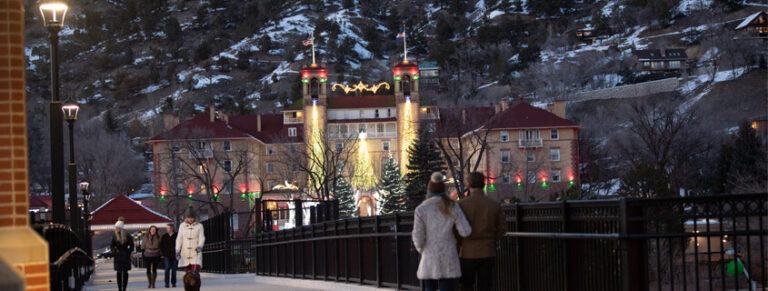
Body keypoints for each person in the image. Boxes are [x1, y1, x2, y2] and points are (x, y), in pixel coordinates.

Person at [412, 172, 472, 291]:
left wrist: (423, 249)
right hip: (448, 255)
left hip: (429, 255)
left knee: (429, 288)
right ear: (443, 191)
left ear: (429, 192)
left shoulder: (421, 209)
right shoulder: (453, 207)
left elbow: (417, 237)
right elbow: (465, 231)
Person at [458, 172, 507, 291]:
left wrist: (461, 242)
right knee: (485, 286)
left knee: (466, 285)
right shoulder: (494, 205)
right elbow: (502, 228)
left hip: (467, 251)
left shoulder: (461, 205)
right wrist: (492, 239)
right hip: (487, 250)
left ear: (468, 185)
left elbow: (455, 229)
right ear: (484, 184)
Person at [176, 207, 205, 273]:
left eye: (192, 218)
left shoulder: (199, 226)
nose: (191, 219)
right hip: (185, 252)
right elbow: (179, 239)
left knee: (195, 271)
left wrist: (200, 246)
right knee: (188, 273)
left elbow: (202, 238)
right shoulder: (182, 226)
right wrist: (177, 250)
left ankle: (196, 283)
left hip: (195, 252)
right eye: (189, 218)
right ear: (186, 218)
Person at [111, 217, 134, 291]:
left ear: (121, 228)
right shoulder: (114, 236)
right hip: (118, 256)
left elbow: (132, 245)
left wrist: (128, 251)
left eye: (117, 227)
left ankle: (124, 288)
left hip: (125, 256)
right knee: (119, 272)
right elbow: (112, 245)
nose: (116, 229)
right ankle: (119, 288)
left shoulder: (127, 235)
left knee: (125, 272)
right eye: (116, 227)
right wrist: (114, 252)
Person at [160, 223, 178, 288]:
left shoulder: (176, 235)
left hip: (175, 255)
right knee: (167, 269)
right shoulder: (164, 236)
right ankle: (167, 283)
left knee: (174, 270)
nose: (168, 229)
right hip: (167, 255)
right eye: (167, 228)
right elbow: (161, 245)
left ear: (172, 228)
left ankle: (173, 282)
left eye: (169, 228)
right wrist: (163, 253)